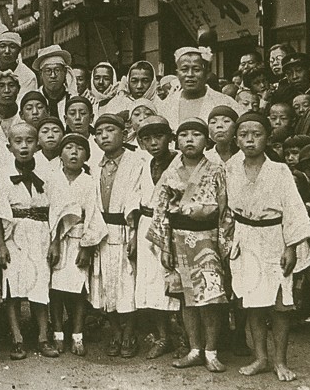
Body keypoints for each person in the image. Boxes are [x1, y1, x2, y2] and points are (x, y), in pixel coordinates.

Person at [226, 111, 310, 381]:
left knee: (280, 304)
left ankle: (280, 361)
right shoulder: (230, 167)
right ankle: (261, 357)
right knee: (253, 302)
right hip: (245, 237)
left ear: (268, 137)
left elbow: (294, 210)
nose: (250, 140)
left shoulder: (280, 170)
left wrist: (291, 247)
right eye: (243, 135)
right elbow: (226, 208)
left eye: (257, 134)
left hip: (275, 237)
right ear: (236, 138)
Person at [147, 118, 232, 373]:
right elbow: (160, 211)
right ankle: (195, 349)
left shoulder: (216, 170)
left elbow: (224, 209)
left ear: (207, 141)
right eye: (184, 135)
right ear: (176, 140)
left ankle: (211, 351)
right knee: (187, 299)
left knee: (210, 298)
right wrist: (164, 247)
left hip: (207, 239)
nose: (189, 140)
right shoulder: (170, 172)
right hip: (177, 239)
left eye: (196, 135)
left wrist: (223, 245)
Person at [0, 122, 59, 360]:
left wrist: (55, 242)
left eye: (29, 141)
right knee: (12, 288)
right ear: (9, 146)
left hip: (40, 235)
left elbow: (57, 210)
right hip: (13, 236)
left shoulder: (49, 173)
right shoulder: (4, 175)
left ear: (37, 144)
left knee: (40, 286)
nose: (24, 146)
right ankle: (17, 338)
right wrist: (1, 245)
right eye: (18, 142)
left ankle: (43, 337)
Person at [90, 113, 144, 358]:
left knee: (128, 282)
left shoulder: (137, 162)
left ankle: (130, 330)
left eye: (110, 130)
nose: (105, 136)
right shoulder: (93, 165)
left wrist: (134, 235)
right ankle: (114, 330)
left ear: (124, 133)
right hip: (101, 230)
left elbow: (137, 197)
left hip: (126, 228)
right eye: (100, 132)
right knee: (104, 283)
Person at [47, 133, 106, 356]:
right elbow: (50, 213)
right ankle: (58, 333)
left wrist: (86, 247)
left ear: (87, 156)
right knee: (56, 290)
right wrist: (53, 243)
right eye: (69, 148)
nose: (74, 152)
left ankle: (78, 335)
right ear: (60, 155)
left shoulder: (89, 182)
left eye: (80, 149)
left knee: (79, 290)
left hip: (80, 240)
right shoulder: (53, 179)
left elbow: (93, 215)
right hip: (57, 241)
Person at [135, 116, 180, 359]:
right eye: (147, 138)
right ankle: (164, 337)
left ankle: (185, 337)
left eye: (159, 136)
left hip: (174, 227)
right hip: (147, 225)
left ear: (170, 137)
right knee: (153, 284)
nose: (154, 143)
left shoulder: (180, 162)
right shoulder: (144, 164)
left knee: (176, 283)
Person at [158, 47, 241, 128]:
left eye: (196, 70)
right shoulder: (166, 105)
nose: (190, 74)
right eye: (184, 69)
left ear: (206, 73)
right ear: (178, 73)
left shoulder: (225, 102)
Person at [0, 32, 36, 104]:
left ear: (19, 50)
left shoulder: (28, 76)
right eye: (2, 46)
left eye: (12, 47)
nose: (7, 51)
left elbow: (24, 106)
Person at [33, 45, 75, 120]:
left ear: (65, 72)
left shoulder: (73, 99)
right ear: (41, 74)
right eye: (48, 71)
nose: (53, 75)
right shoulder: (34, 100)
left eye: (57, 70)